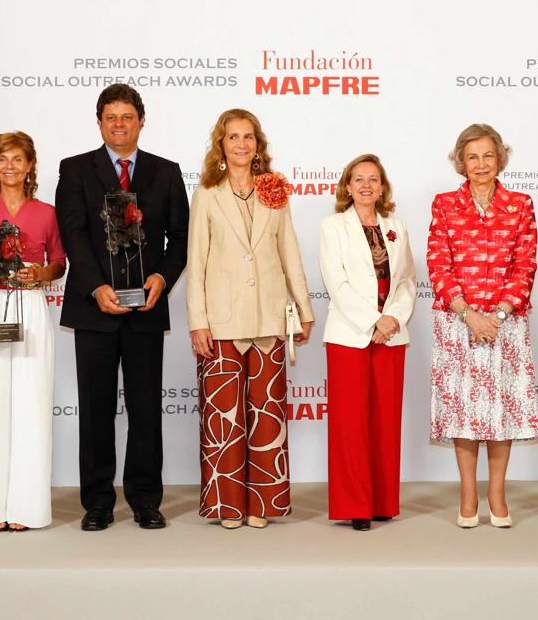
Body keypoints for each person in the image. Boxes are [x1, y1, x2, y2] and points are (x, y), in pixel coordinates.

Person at [55, 84, 189, 531]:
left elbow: (179, 243)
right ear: (99, 122)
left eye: (127, 117)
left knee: (146, 409)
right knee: (95, 410)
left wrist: (162, 279)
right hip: (95, 310)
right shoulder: (75, 170)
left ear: (141, 121)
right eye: (110, 117)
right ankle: (96, 502)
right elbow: (73, 234)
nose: (119, 124)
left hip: (146, 308)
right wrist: (95, 287)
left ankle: (146, 500)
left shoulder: (166, 173)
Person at [186, 108, 314, 529]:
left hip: (269, 318)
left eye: (248, 137)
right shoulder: (207, 193)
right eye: (232, 137)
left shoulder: (275, 190)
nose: (241, 144)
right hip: (221, 322)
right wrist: (198, 321)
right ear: (220, 146)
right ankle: (226, 506)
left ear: (258, 145)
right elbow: (196, 262)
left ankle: (264, 504)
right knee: (223, 417)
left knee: (267, 415)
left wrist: (304, 309)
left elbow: (289, 252)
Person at [427, 123, 538, 529]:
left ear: (500, 159)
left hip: (505, 324)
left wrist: (499, 316)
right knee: (462, 411)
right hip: (458, 324)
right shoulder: (444, 204)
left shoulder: (520, 204)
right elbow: (438, 265)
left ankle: (497, 493)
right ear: (461, 162)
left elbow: (525, 265)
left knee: (501, 411)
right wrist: (469, 315)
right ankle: (467, 493)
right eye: (472, 156)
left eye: (488, 156)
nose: (480, 164)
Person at [0, 132, 66, 531]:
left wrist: (42, 273)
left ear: (30, 165)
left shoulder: (46, 213)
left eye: (17, 159)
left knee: (32, 406)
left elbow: (60, 262)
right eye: (3, 159)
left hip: (32, 309)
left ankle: (26, 508)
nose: (9, 167)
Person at [319, 154, 417, 531]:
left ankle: (382, 502)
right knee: (350, 424)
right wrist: (374, 320)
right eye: (358, 179)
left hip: (391, 337)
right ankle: (355, 505)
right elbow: (336, 283)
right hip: (350, 335)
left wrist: (392, 319)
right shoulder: (333, 226)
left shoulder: (397, 226)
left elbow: (407, 279)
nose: (365, 185)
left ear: (382, 187)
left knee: (385, 423)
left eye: (373, 179)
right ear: (347, 186)